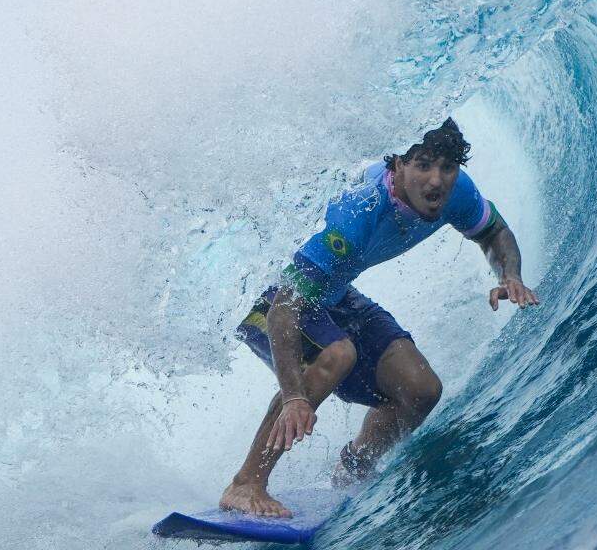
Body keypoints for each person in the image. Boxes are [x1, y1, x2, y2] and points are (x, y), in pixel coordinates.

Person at [219, 118, 538, 517]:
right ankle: (246, 483)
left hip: (332, 291)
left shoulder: (458, 193)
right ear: (398, 164)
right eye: (423, 165)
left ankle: (354, 466)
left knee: (420, 389)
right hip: (267, 294)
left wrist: (510, 276)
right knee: (337, 354)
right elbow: (285, 307)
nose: (436, 181)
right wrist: (296, 397)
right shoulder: (359, 213)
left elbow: (493, 232)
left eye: (447, 167)